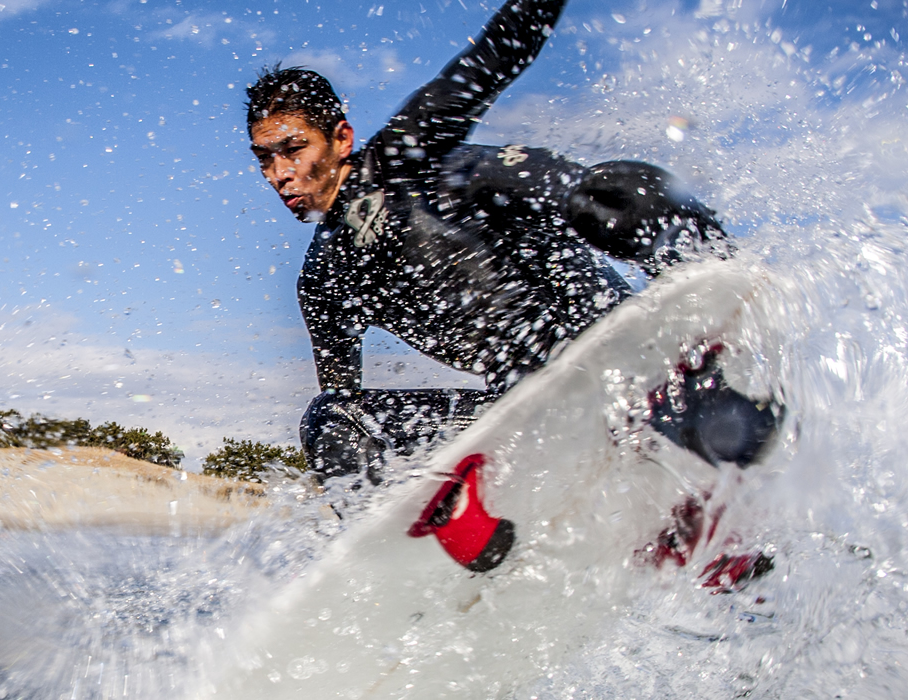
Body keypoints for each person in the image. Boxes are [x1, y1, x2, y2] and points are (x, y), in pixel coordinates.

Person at [244, 0, 727, 484]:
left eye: (293, 148)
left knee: (609, 191)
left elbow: (498, 52)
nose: (279, 174)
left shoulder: (403, 153)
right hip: (528, 407)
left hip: (618, 342)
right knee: (332, 418)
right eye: (265, 158)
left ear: (341, 139)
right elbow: (348, 404)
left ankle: (715, 300)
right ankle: (463, 539)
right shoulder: (325, 278)